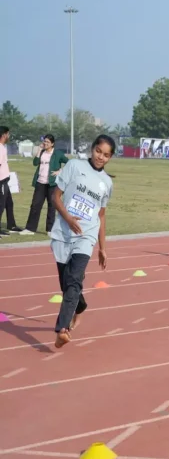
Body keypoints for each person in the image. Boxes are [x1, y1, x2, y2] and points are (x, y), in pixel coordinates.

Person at [50, 135, 115, 348]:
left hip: (87, 236)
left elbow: (101, 216)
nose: (101, 157)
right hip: (63, 232)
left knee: (74, 279)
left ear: (110, 158)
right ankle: (79, 306)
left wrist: (102, 248)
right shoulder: (74, 166)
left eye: (106, 155)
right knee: (67, 284)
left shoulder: (107, 183)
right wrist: (68, 218)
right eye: (98, 151)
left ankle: (62, 329)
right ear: (92, 149)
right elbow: (56, 197)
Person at [20, 134, 69, 236]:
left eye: (47, 142)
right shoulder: (42, 152)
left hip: (52, 184)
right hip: (40, 183)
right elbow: (35, 163)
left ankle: (50, 229)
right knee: (35, 205)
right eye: (44, 141)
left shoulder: (57, 153)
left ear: (52, 144)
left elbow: (69, 163)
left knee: (51, 206)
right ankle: (30, 228)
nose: (45, 143)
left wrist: (60, 171)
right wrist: (39, 150)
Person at [0, 126, 23, 236]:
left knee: (9, 203)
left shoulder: (3, 147)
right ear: (4, 135)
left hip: (5, 180)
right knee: (1, 204)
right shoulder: (0, 148)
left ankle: (11, 225)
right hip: (1, 181)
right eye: (8, 134)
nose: (9, 136)